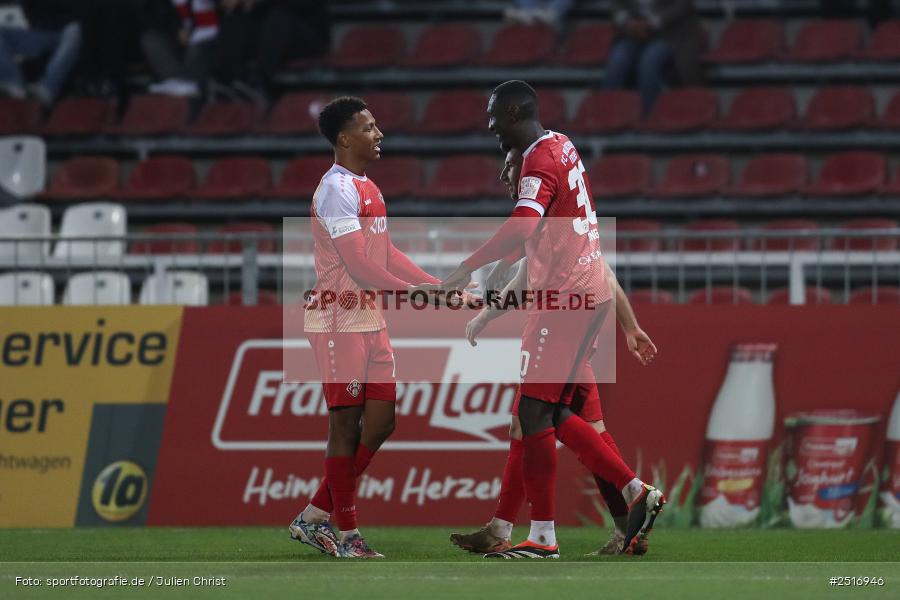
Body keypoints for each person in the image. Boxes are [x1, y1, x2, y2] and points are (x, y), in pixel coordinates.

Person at [424, 80, 664, 558]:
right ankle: (604, 524)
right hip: (582, 301)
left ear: (514, 113)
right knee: (551, 419)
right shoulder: (564, 147)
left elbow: (522, 231)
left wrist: (464, 270)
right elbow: (580, 255)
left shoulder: (539, 164)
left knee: (538, 417)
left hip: (564, 308)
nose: (493, 133)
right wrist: (489, 313)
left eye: (495, 119)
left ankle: (571, 525)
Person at [288, 96, 450, 559]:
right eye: (369, 127)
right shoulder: (336, 189)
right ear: (344, 138)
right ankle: (348, 535)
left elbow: (385, 254)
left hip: (369, 317)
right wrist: (426, 295)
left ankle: (315, 515)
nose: (379, 134)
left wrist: (440, 284)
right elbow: (359, 266)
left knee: (382, 422)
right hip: (338, 317)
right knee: (345, 427)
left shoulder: (368, 187)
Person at [214, 0, 332, 102]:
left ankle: (261, 83)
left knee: (279, 18)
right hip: (269, 32)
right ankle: (228, 81)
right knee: (233, 19)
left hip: (309, 33)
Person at [603, 0, 706, 112]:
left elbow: (684, 4)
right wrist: (626, 22)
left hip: (672, 34)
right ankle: (607, 115)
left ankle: (650, 116)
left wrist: (654, 22)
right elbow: (616, 5)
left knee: (649, 61)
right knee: (617, 61)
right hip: (633, 33)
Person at [0, 0, 81, 106]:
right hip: (40, 33)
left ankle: (46, 90)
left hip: (66, 32)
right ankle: (14, 86)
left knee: (75, 29)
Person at [140, 0, 219, 97]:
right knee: (151, 38)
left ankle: (186, 81)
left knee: (198, 44)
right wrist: (177, 30)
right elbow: (157, 19)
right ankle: (174, 80)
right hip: (179, 41)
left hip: (210, 41)